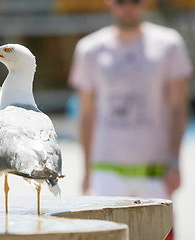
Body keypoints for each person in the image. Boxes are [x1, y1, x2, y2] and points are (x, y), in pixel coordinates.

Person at [69, 1, 192, 238]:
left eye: (134, 0)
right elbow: (86, 114)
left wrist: (176, 161)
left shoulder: (169, 44)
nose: (128, 7)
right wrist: (85, 170)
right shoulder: (89, 49)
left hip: (155, 172)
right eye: (120, 1)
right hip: (106, 171)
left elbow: (178, 107)